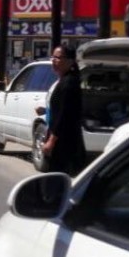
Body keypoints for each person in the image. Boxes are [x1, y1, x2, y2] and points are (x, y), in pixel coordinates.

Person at [40, 45, 86, 176]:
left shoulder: (69, 83)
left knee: (58, 180)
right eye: (53, 57)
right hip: (63, 141)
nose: (54, 60)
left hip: (64, 143)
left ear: (70, 61)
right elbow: (61, 107)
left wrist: (51, 141)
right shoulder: (64, 81)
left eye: (58, 57)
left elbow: (65, 115)